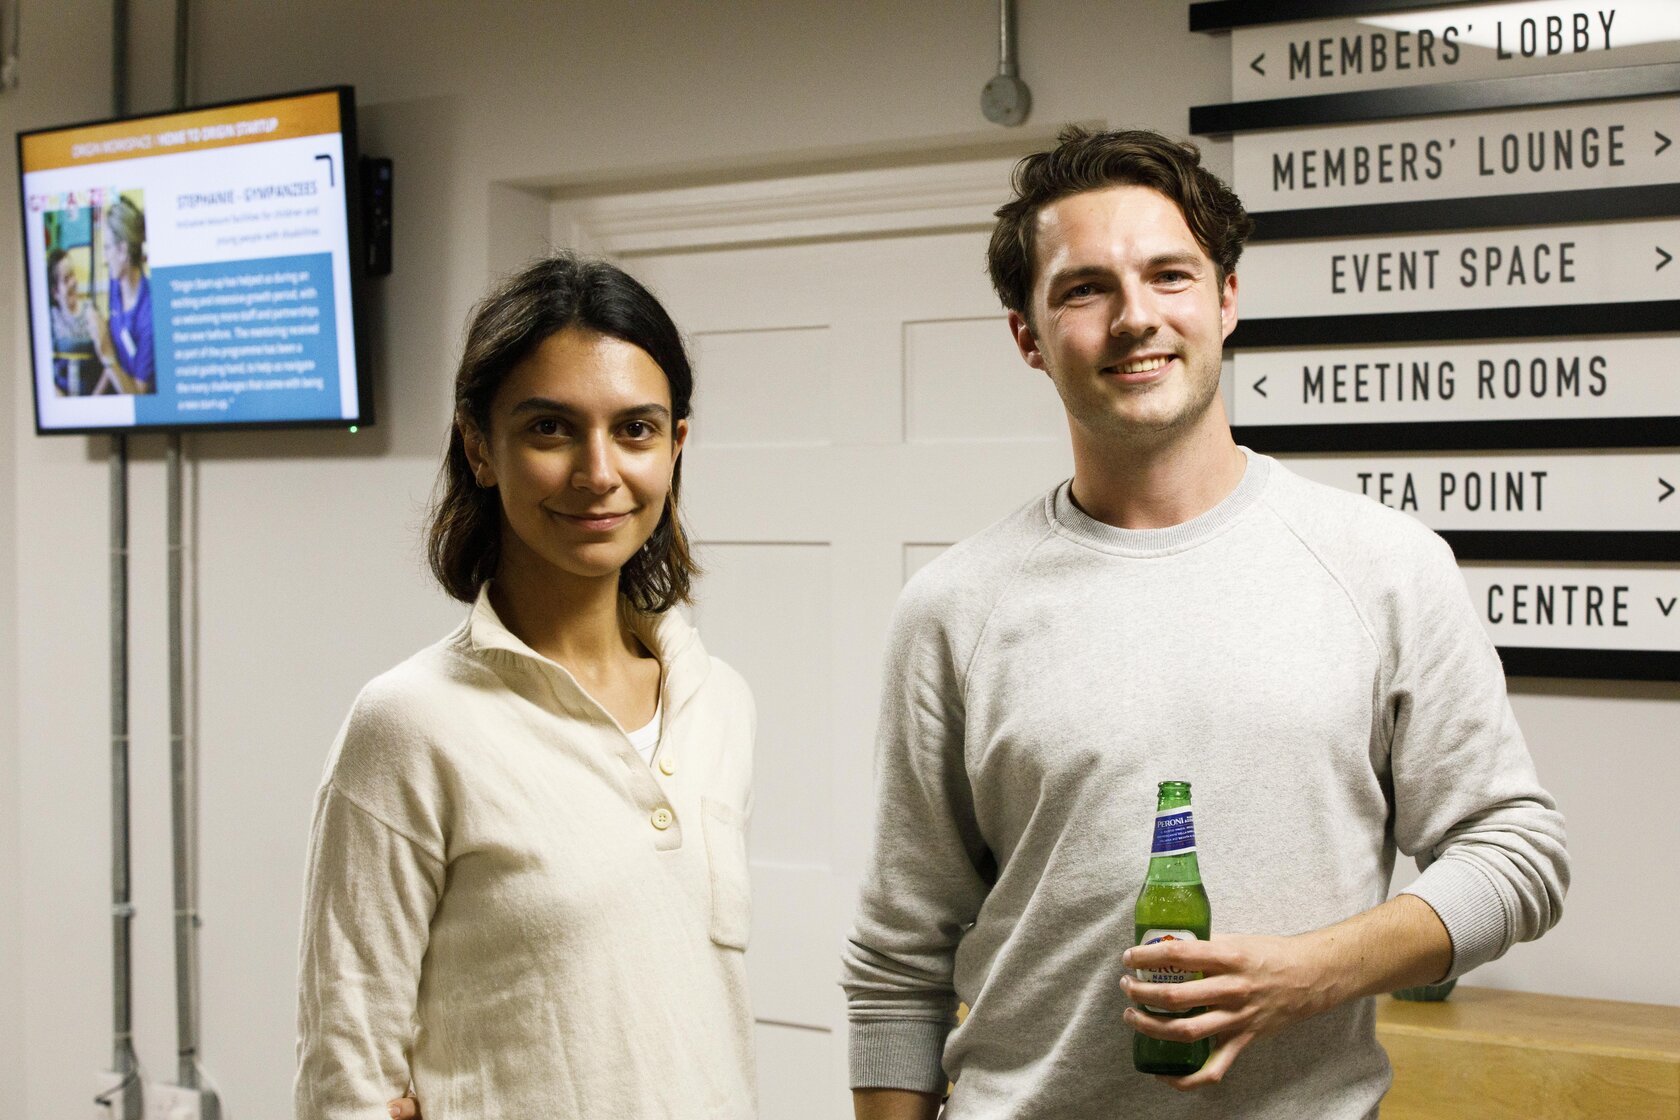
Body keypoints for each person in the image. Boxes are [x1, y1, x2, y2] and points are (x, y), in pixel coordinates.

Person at [840, 127, 1568, 1119]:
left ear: (1227, 297)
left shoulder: (1387, 565)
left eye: (1170, 275)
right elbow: (896, 961)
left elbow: (1516, 852)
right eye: (1084, 289)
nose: (1136, 318)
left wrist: (1314, 971)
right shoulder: (955, 608)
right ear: (1028, 335)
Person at [295, 254, 757, 1119]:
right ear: (481, 447)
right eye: (550, 429)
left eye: (635, 430)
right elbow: (345, 1073)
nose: (598, 472)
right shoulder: (409, 724)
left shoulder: (719, 700)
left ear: (676, 445)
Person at [88, 195, 155, 395]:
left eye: (107, 248)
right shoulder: (115, 285)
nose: (105, 258)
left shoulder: (149, 315)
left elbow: (138, 395)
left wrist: (106, 355)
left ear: (123, 251)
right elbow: (114, 355)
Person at [45, 247, 98, 395]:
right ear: (55, 291)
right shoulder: (51, 320)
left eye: (73, 274)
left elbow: (107, 363)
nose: (74, 282)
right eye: (66, 279)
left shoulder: (91, 311)